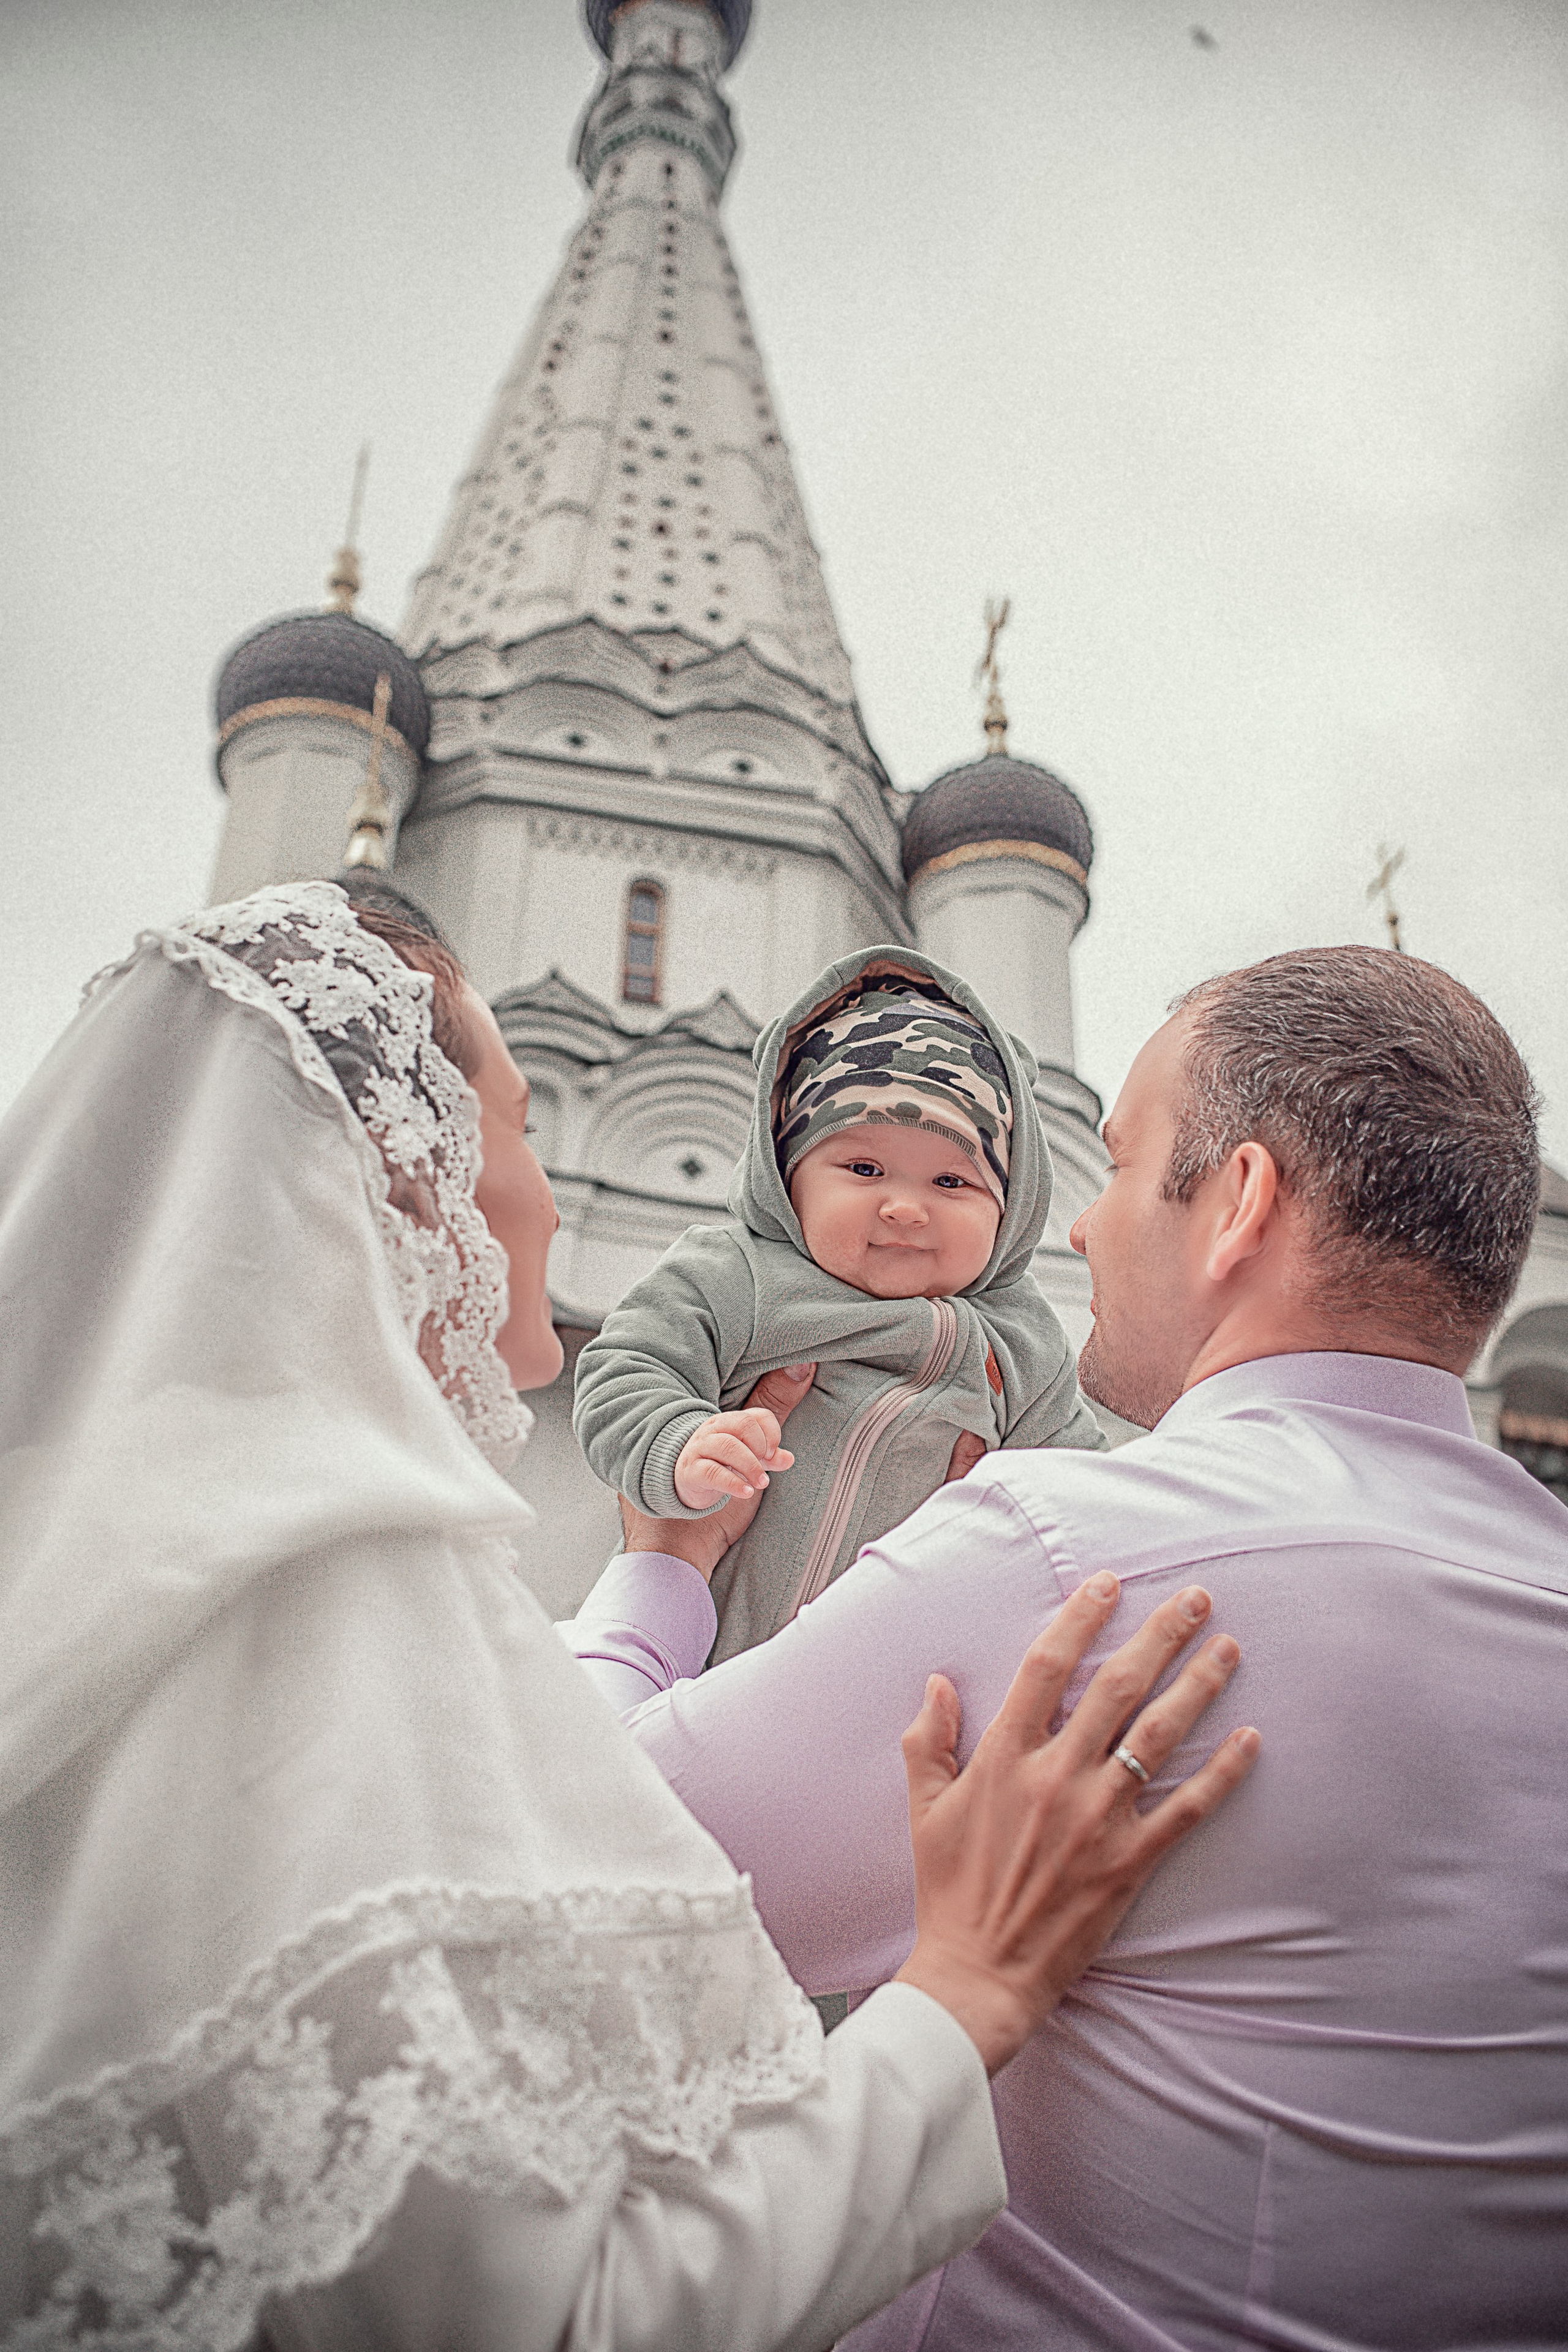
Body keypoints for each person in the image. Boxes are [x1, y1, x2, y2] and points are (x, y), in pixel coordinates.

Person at [0, 880, 1255, 2352]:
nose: (546, 1194)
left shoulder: (196, 1578)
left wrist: (662, 1573)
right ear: (407, 1182)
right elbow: (555, 2319)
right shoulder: (338, 1620)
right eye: (517, 1126)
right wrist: (963, 1993)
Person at [564, 944, 1568, 2350]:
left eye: (1117, 1164)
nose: (1079, 1228)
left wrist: (659, 1572)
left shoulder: (1068, 1563)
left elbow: (568, 1876)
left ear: (1238, 1203)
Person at [573, 949, 1101, 1662]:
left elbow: (1075, 1482)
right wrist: (677, 1442)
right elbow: (627, 1365)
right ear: (787, 1176)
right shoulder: (740, 1274)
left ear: (1012, 1207)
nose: (905, 1207)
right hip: (698, 1651)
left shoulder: (1021, 1341)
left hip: (892, 1679)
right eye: (863, 1168)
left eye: (951, 1181)